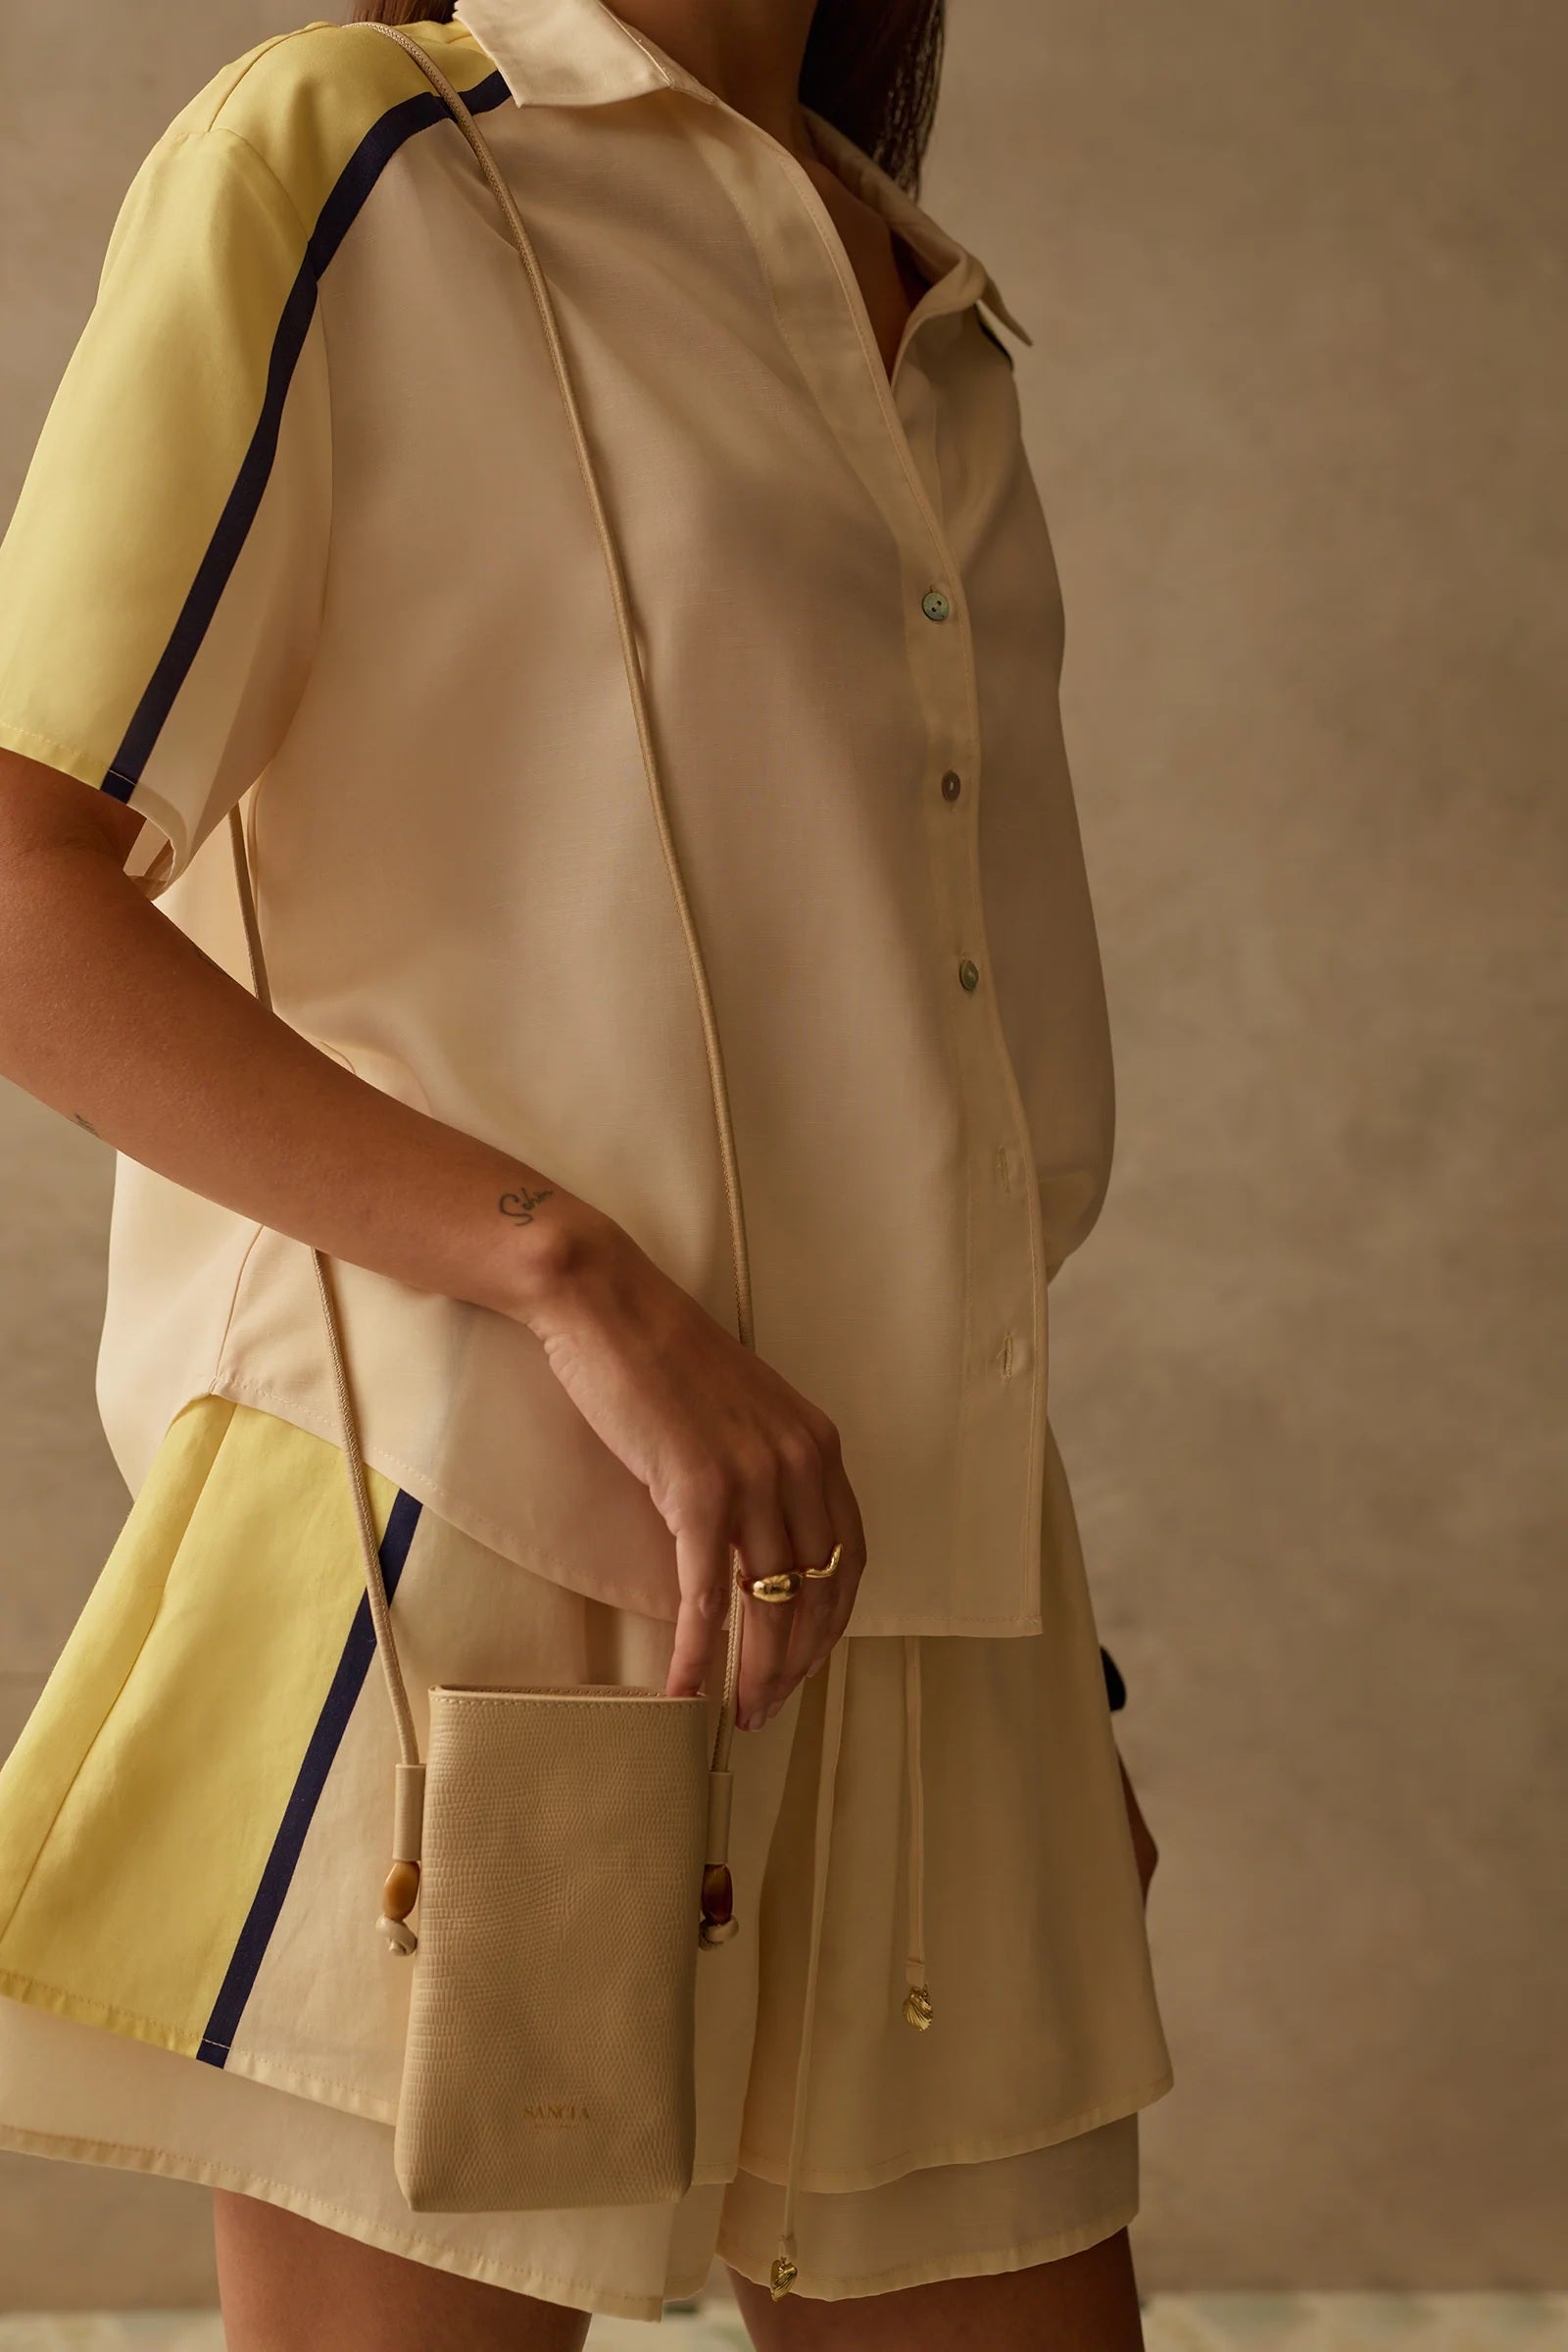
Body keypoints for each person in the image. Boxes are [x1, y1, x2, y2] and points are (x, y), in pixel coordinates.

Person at [0, 0, 1173, 2341]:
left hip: (905, 1583)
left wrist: (1023, 1630)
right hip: (464, 1550)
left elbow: (919, 1052)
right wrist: (559, 1271)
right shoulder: (357, 157)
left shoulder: (922, 296)